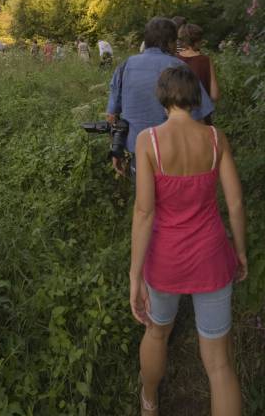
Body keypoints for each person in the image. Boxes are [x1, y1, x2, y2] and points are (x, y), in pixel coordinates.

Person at [130, 66, 247, 415]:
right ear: (196, 97)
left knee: (155, 334)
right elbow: (236, 203)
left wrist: (135, 275)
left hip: (165, 260)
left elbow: (144, 212)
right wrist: (240, 253)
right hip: (211, 257)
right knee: (219, 364)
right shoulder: (215, 138)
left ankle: (149, 402)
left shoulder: (148, 141)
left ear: (163, 96)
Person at [107, 17, 214, 177]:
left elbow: (111, 117)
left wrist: (116, 149)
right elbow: (200, 117)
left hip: (141, 156)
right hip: (177, 155)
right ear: (170, 42)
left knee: (146, 201)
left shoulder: (125, 66)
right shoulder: (180, 68)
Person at [177, 23, 220, 102]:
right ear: (197, 41)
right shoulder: (205, 60)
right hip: (202, 111)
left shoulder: (174, 60)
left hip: (180, 111)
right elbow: (215, 95)